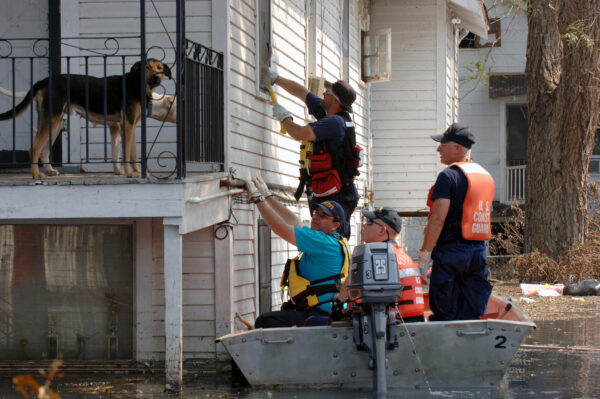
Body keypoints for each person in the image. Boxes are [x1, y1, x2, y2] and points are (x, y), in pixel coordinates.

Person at [242, 175, 351, 328]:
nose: (316, 218)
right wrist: (268, 197)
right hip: (327, 312)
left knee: (264, 321)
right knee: (282, 314)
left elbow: (281, 229)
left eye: (323, 216)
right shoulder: (336, 241)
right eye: (316, 213)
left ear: (336, 225)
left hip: (319, 314)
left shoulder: (323, 242)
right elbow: (295, 222)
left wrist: (259, 200)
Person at [265, 68, 360, 238]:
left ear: (336, 100)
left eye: (328, 92)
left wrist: (284, 117)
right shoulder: (330, 113)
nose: (324, 93)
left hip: (337, 196)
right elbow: (303, 93)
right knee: (322, 238)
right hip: (336, 191)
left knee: (330, 240)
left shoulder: (334, 123)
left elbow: (299, 133)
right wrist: (275, 79)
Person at [418, 123, 495, 321]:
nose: (438, 149)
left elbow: (437, 219)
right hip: (478, 253)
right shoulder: (485, 176)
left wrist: (424, 254)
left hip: (451, 252)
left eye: (442, 144)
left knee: (445, 311)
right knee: (472, 310)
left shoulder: (448, 176)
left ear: (457, 148)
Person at [361, 207, 425, 322]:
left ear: (382, 230)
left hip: (389, 325)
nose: (364, 225)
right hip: (411, 321)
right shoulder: (403, 256)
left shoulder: (377, 256)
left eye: (369, 222)